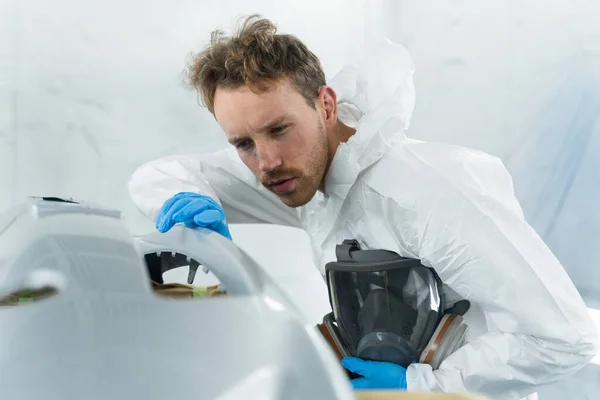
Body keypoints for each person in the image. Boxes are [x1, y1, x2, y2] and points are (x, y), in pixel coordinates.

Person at [128, 14, 598, 399]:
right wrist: (184, 200)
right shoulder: (302, 177)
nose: (265, 162)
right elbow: (160, 175)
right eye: (243, 144)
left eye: (278, 130)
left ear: (326, 104)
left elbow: (564, 338)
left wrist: (421, 385)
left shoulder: (426, 195)